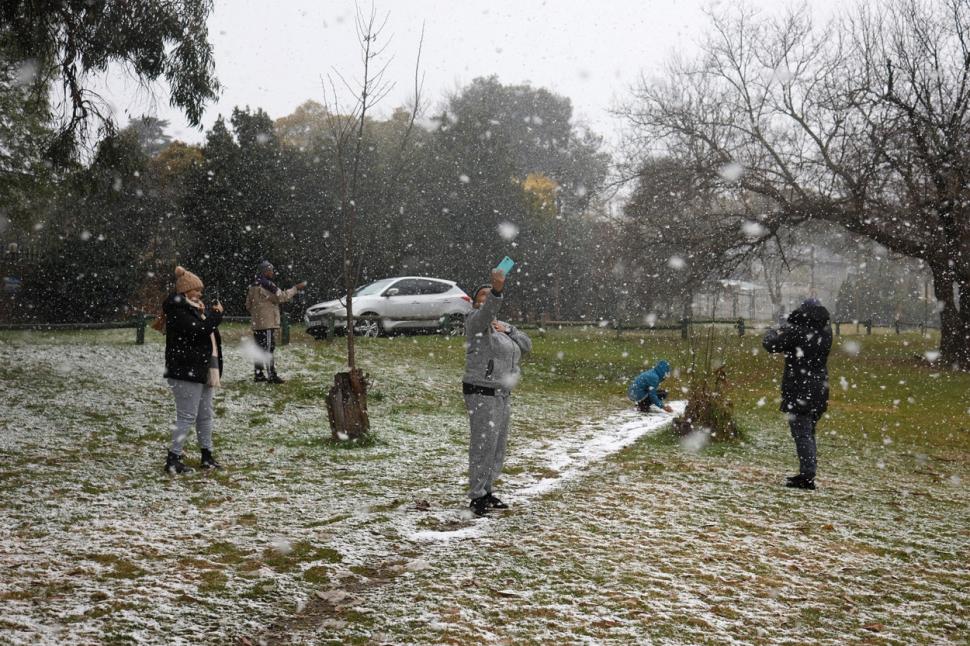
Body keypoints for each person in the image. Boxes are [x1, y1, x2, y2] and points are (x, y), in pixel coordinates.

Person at [462, 268, 532, 516]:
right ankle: (477, 496)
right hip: (482, 391)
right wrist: (497, 289)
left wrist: (509, 330)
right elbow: (487, 311)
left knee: (497, 445)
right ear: (475, 302)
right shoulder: (475, 322)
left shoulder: (502, 326)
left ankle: (487, 490)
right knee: (483, 444)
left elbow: (526, 345)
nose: (486, 299)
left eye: (489, 295)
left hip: (502, 394)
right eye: (483, 296)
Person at [762, 297, 833, 490]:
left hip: (800, 389)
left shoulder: (797, 332)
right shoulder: (826, 332)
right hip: (819, 388)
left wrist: (772, 331)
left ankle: (807, 476)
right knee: (808, 432)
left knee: (802, 433)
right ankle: (807, 471)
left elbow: (771, 345)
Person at [162, 266, 224, 475]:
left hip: (202, 369)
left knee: (205, 415)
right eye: (196, 290)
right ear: (185, 291)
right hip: (185, 369)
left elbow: (207, 333)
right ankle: (173, 458)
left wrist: (210, 315)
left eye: (200, 290)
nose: (199, 294)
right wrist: (216, 317)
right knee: (187, 415)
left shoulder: (197, 310)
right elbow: (198, 332)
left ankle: (206, 455)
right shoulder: (177, 311)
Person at [245, 260, 306, 383]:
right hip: (267, 323)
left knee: (259, 349)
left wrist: (257, 313)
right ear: (265, 271)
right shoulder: (269, 285)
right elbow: (282, 297)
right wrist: (295, 289)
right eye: (270, 270)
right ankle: (272, 376)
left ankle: (259, 374)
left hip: (257, 324)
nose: (272, 272)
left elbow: (247, 305)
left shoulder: (253, 285)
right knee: (268, 349)